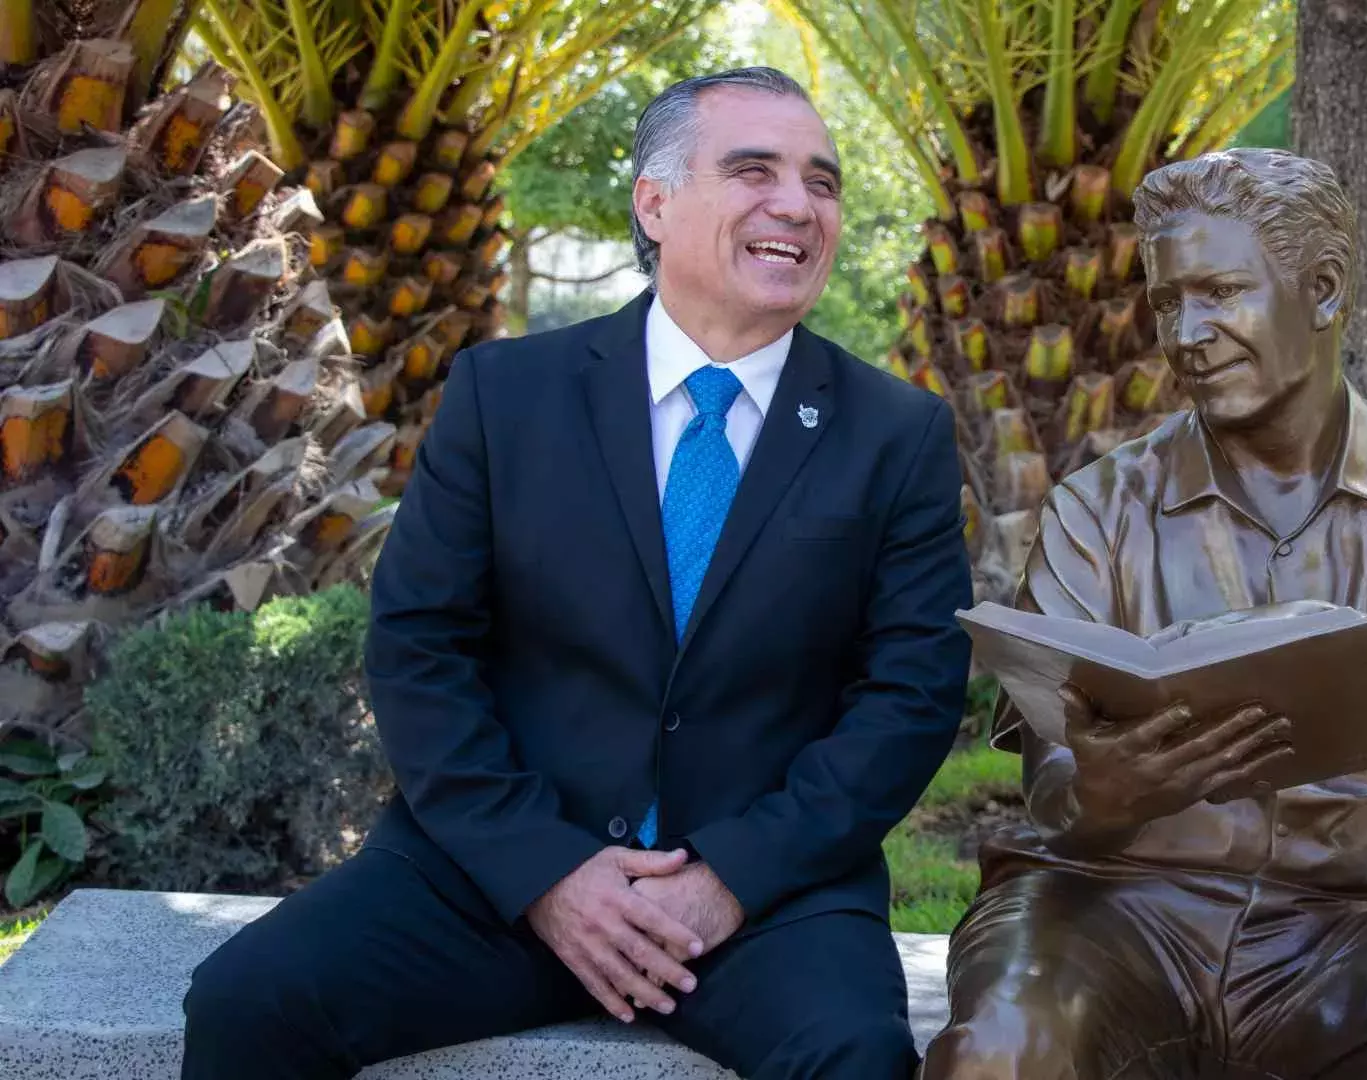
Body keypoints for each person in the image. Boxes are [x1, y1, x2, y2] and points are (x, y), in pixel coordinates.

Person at [180, 67, 974, 1080]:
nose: (798, 204)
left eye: (822, 182)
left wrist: (727, 878)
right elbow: (421, 648)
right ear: (655, 200)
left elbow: (909, 697)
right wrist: (547, 873)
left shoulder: (896, 434)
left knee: (858, 1055)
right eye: (754, 170)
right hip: (489, 879)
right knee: (250, 1003)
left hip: (766, 901)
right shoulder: (502, 396)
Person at [920, 148, 1367, 1079]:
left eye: (1221, 290)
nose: (1188, 331)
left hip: (1361, 929)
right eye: (1166, 301)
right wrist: (1101, 796)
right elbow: (1053, 786)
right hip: (1109, 905)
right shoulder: (1099, 508)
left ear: (1321, 290)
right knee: (998, 1054)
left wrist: (1343, 640)